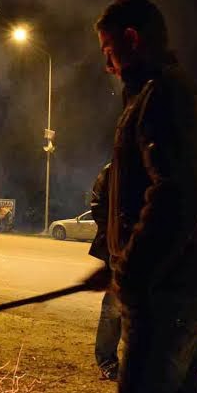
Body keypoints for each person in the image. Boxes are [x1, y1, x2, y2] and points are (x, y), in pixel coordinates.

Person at [94, 0, 197, 393]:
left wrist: (132, 270)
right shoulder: (159, 93)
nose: (107, 64)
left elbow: (175, 196)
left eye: (109, 51)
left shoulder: (168, 95)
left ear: (132, 38)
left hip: (169, 286)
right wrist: (117, 260)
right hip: (174, 278)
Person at [88, 163, 121, 381]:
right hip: (119, 250)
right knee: (114, 309)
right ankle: (107, 361)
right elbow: (98, 204)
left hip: (148, 250)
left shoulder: (159, 163)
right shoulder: (114, 170)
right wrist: (113, 235)